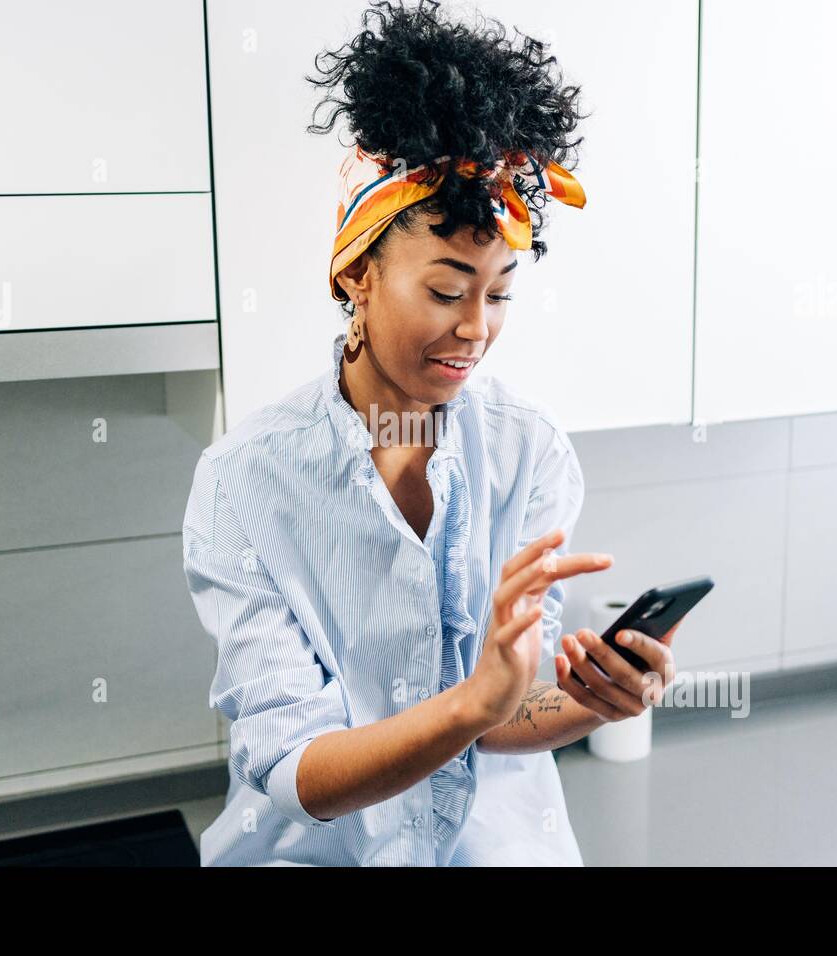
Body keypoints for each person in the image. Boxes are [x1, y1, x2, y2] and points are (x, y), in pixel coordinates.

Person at [182, 0, 676, 866]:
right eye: (447, 291)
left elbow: (506, 713)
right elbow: (297, 770)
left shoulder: (529, 452)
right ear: (358, 274)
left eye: (501, 292)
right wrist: (473, 701)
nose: (476, 328)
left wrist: (600, 698)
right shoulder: (243, 485)